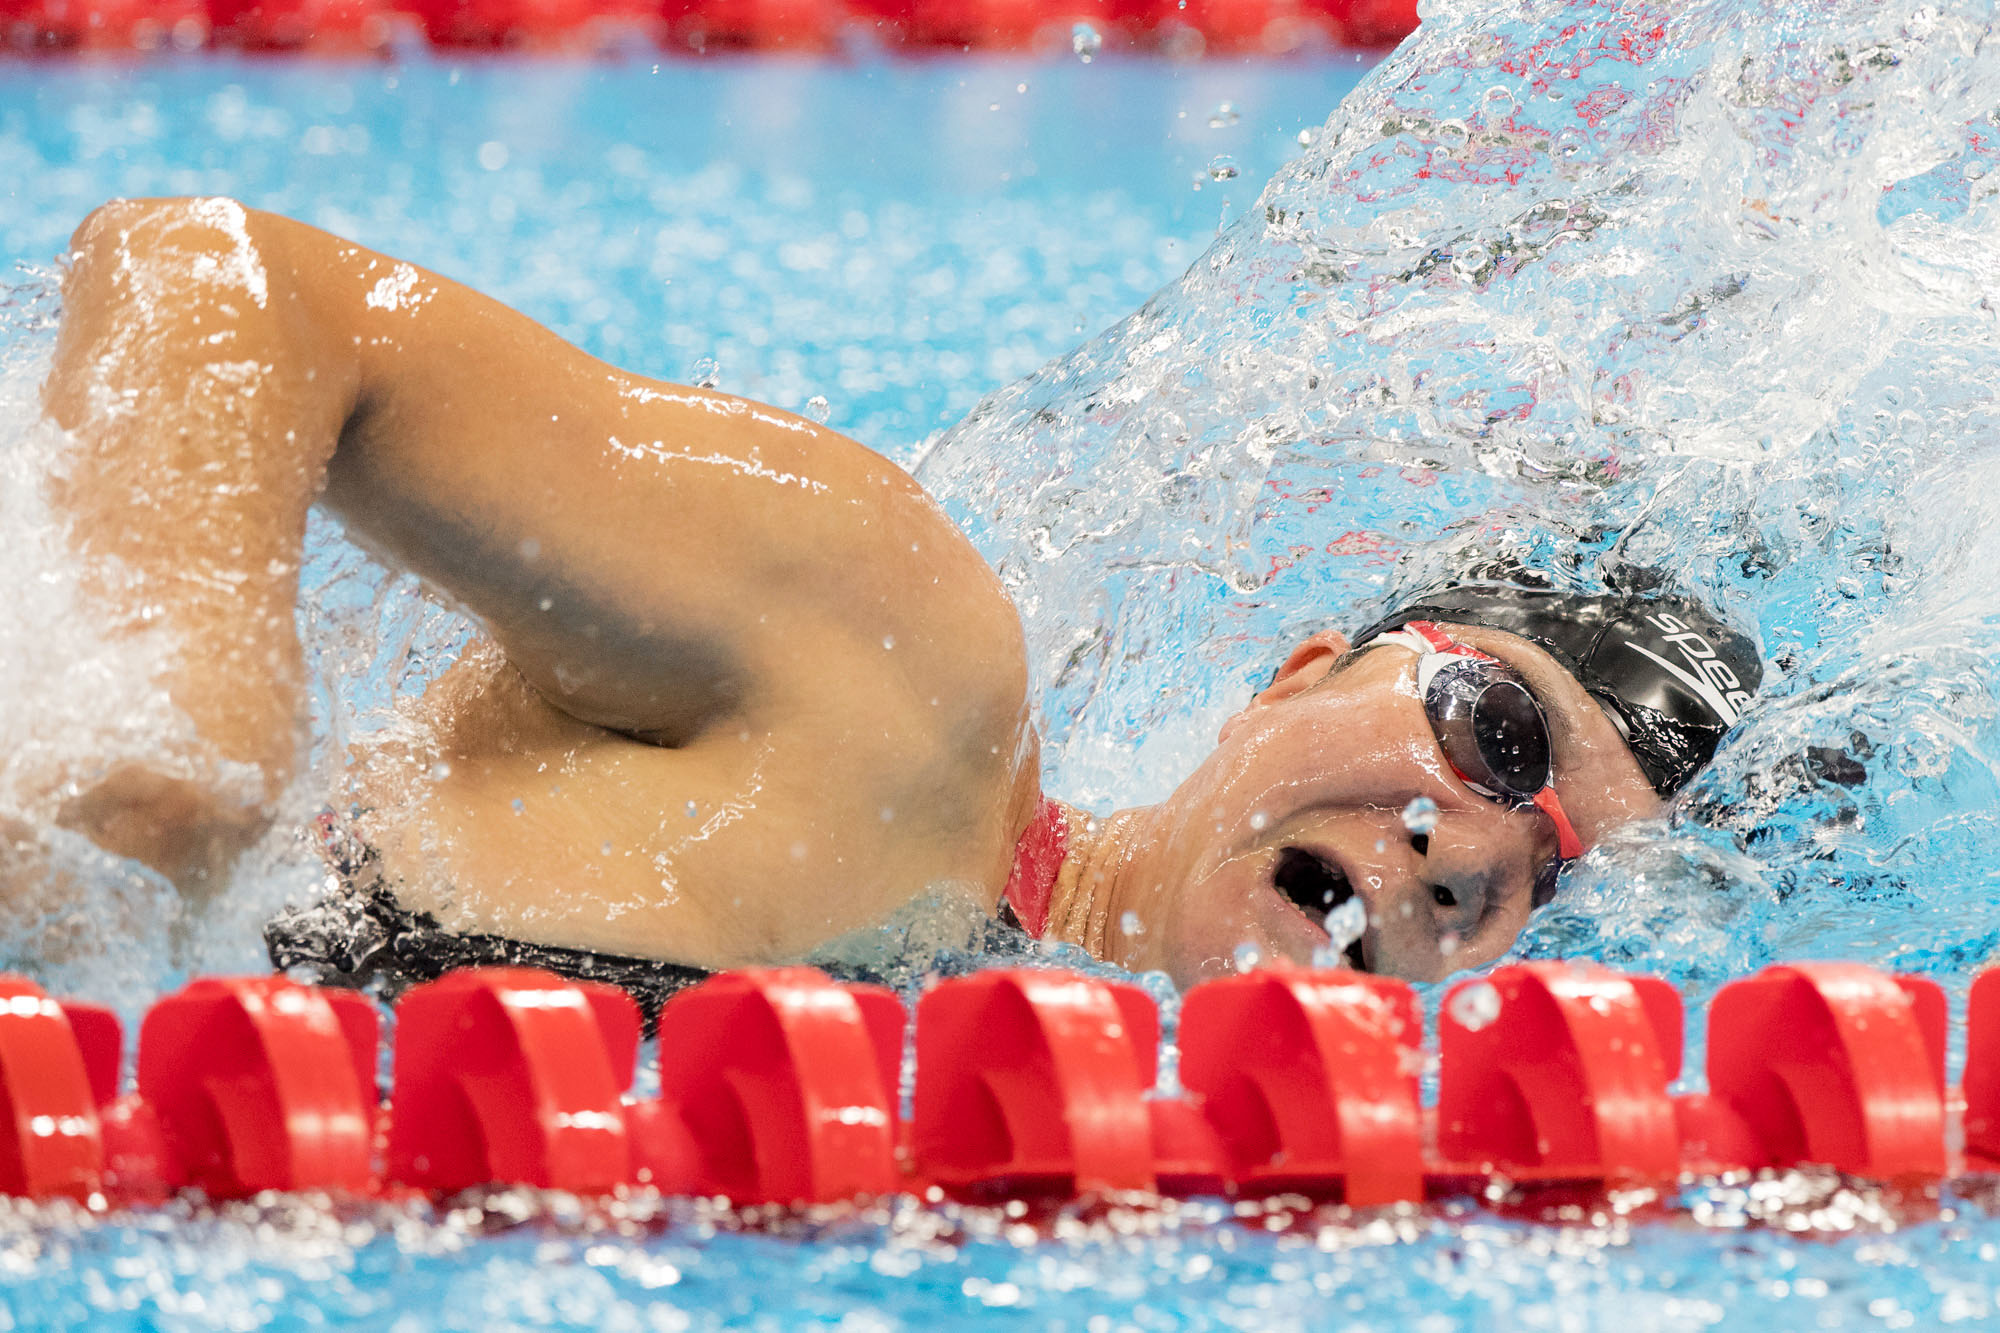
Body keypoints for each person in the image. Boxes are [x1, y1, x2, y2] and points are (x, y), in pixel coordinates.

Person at [25, 196, 1761, 1008]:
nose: (1474, 847)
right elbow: (213, 277)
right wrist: (178, 728)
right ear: (1301, 671)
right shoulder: (892, 660)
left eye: (1549, 870)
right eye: (1497, 729)